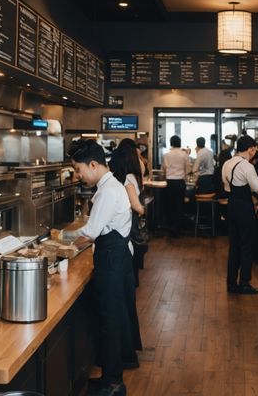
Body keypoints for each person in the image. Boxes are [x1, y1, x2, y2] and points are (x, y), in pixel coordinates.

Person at [67, 141, 134, 396]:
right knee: (110, 317)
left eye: (78, 169)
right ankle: (110, 378)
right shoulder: (109, 186)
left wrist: (61, 241)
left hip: (111, 261)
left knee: (110, 319)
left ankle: (113, 384)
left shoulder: (108, 191)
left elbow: (91, 232)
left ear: (93, 164)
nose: (78, 175)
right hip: (114, 258)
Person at [109, 139, 146, 363]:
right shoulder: (130, 176)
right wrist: (142, 209)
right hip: (127, 233)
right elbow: (135, 205)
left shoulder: (119, 177)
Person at [221, 135, 258, 294]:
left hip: (231, 206)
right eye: (254, 149)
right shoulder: (246, 165)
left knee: (234, 246)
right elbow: (257, 188)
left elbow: (228, 187)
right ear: (250, 148)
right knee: (247, 245)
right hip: (244, 208)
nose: (254, 152)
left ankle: (231, 282)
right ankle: (244, 282)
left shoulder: (227, 163)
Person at [162, 135, 190, 237]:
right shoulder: (184, 155)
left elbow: (164, 169)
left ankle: (171, 229)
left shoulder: (167, 155)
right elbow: (188, 169)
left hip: (169, 183)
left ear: (171, 143)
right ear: (179, 142)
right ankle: (177, 230)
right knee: (179, 206)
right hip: (180, 182)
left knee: (170, 206)